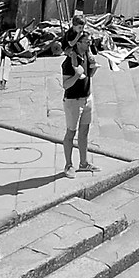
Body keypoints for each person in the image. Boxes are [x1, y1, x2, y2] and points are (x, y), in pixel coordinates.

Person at [59, 32, 94, 174]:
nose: (89, 44)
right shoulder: (69, 62)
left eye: (89, 41)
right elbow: (66, 85)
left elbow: (88, 75)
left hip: (87, 97)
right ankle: (68, 165)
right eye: (86, 42)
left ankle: (83, 163)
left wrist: (92, 70)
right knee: (70, 133)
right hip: (73, 101)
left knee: (84, 131)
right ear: (78, 43)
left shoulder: (86, 55)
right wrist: (77, 75)